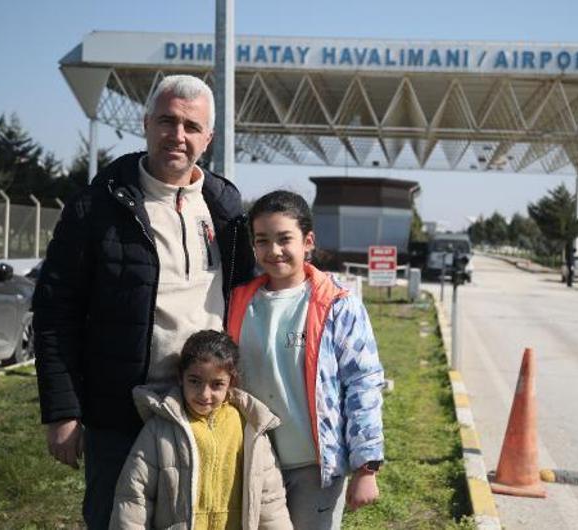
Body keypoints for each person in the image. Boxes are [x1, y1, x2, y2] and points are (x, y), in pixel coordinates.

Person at [33, 75, 255, 529]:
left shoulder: (226, 210)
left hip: (200, 408)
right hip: (119, 414)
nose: (178, 136)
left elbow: (257, 289)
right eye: (167, 121)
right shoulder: (96, 207)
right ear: (146, 124)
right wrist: (62, 410)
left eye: (192, 127)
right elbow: (56, 312)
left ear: (208, 138)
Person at [226, 190, 384, 529]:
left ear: (307, 241)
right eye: (262, 241)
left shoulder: (339, 305)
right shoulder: (237, 302)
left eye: (285, 239)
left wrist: (366, 467)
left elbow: (363, 384)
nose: (273, 251)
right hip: (253, 463)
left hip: (315, 469)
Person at [110, 330, 293, 530]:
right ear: (181, 377)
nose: (204, 394)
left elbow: (270, 501)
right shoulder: (159, 429)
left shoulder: (251, 429)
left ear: (231, 382)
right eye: (195, 381)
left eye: (216, 384)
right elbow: (135, 497)